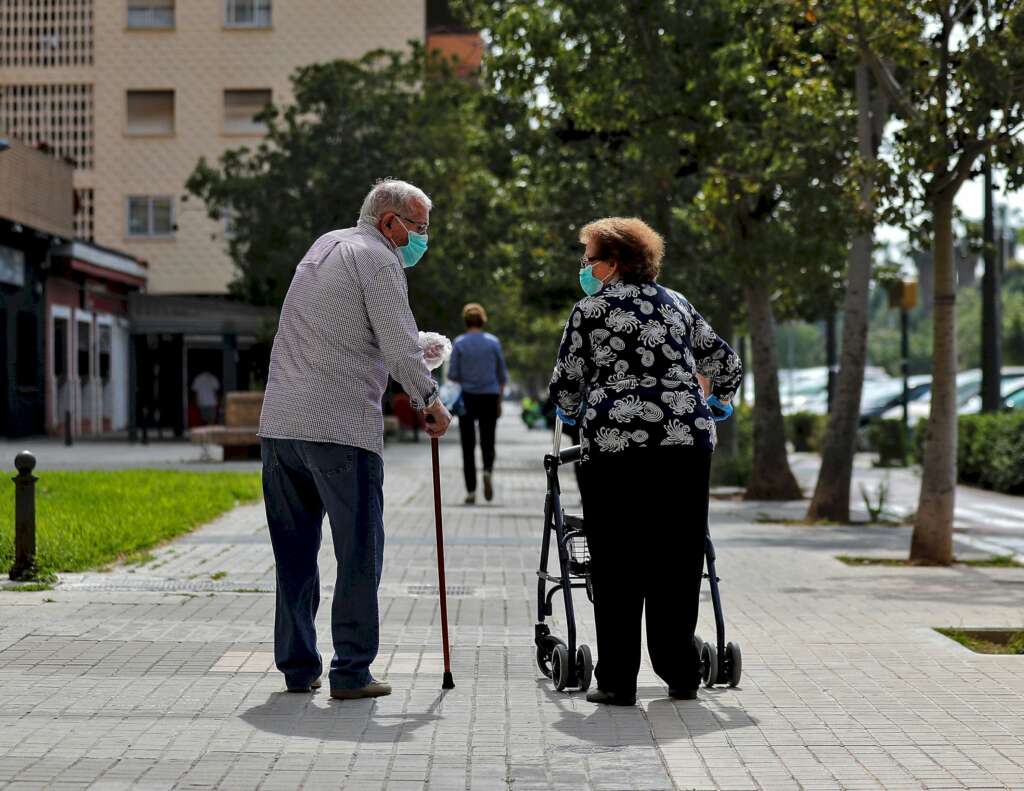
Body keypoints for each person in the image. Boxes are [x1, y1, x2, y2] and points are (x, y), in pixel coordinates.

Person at [258, 179, 452, 700]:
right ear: (391, 223)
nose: (421, 241)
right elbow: (393, 339)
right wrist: (429, 400)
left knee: (294, 553)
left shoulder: (326, 245)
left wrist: (417, 348)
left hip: (281, 424)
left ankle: (298, 667)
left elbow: (341, 329)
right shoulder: (380, 259)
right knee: (359, 551)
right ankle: (351, 671)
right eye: (419, 229)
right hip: (340, 427)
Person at [548, 216, 742, 706]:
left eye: (589, 257)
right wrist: (711, 399)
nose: (585, 266)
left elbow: (566, 387)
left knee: (617, 561)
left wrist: (579, 410)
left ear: (614, 262)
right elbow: (726, 364)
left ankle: (617, 680)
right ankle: (680, 673)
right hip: (686, 444)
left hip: (616, 450)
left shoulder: (589, 311)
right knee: (678, 556)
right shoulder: (677, 303)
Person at [448, 303, 509, 504]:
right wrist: (499, 400)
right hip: (490, 397)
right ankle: (488, 471)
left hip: (467, 398)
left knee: (468, 445)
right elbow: (501, 376)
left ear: (466, 321)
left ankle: (471, 490)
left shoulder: (459, 343)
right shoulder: (493, 342)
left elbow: (453, 375)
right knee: (487, 440)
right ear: (482, 320)